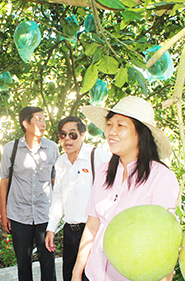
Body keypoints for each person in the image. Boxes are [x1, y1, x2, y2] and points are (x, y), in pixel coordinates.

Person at [72, 96, 179, 281]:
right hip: (94, 274)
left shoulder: (161, 177)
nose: (111, 131)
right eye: (109, 124)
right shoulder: (105, 171)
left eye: (121, 125)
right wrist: (76, 273)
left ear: (141, 133)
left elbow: (166, 245)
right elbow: (92, 225)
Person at [44, 116, 111, 281]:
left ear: (83, 135)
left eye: (72, 135)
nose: (67, 139)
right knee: (69, 276)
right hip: (70, 231)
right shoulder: (60, 162)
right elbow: (58, 196)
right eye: (63, 135)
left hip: (93, 231)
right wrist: (51, 228)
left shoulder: (98, 156)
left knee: (90, 277)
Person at [0, 106, 60, 281]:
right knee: (23, 264)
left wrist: (57, 214)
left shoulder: (52, 148)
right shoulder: (12, 148)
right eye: (38, 119)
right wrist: (3, 213)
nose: (43, 123)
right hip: (19, 215)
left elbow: (55, 182)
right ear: (26, 123)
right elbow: (4, 181)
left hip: (44, 215)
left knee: (48, 262)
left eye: (43, 118)